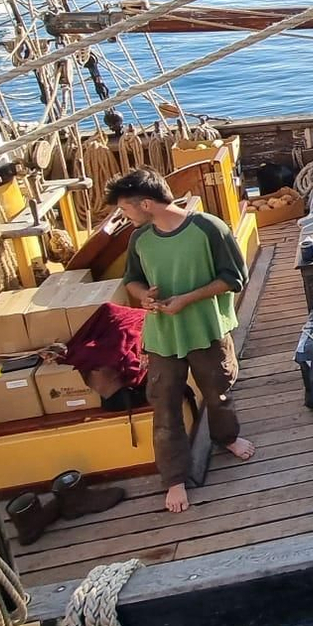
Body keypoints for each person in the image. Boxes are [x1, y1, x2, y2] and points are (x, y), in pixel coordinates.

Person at [109, 168, 255, 513]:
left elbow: (235, 278)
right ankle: (174, 477)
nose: (124, 217)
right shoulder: (138, 239)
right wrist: (144, 296)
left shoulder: (208, 228)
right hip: (162, 337)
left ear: (146, 203)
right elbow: (132, 280)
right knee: (164, 405)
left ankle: (227, 438)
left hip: (205, 329)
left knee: (218, 391)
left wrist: (187, 299)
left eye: (126, 210)